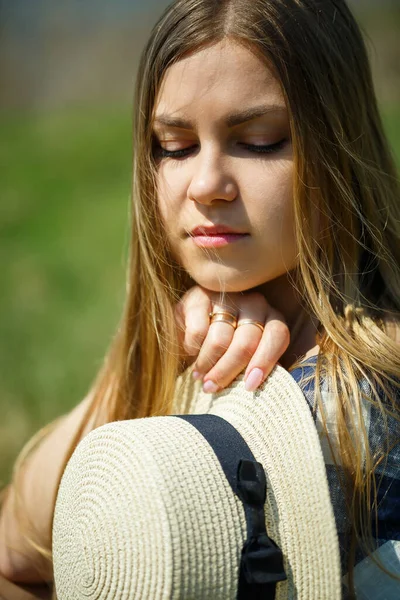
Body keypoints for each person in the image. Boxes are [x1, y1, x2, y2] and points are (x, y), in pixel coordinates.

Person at [1, 0, 399, 597]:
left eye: (259, 141)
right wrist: (157, 355)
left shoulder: (369, 393)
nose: (207, 184)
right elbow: (14, 546)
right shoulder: (186, 350)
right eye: (175, 146)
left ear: (338, 147)